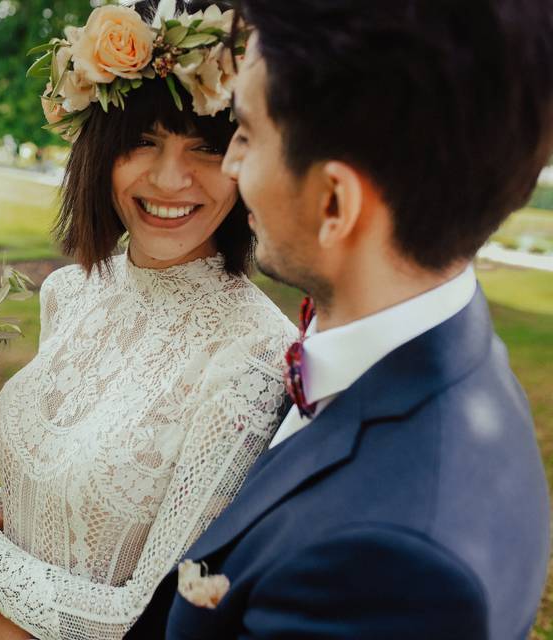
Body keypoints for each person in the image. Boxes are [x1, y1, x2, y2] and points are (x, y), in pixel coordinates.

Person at [0, 1, 297, 638]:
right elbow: (61, 502)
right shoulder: (72, 293)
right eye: (143, 141)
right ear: (100, 150)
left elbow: (155, 612)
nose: (170, 178)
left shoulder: (255, 357)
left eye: (206, 148)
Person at [128, 1, 553, 638]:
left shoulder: (393, 574)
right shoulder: (452, 355)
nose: (233, 166)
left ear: (334, 201)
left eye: (245, 133)